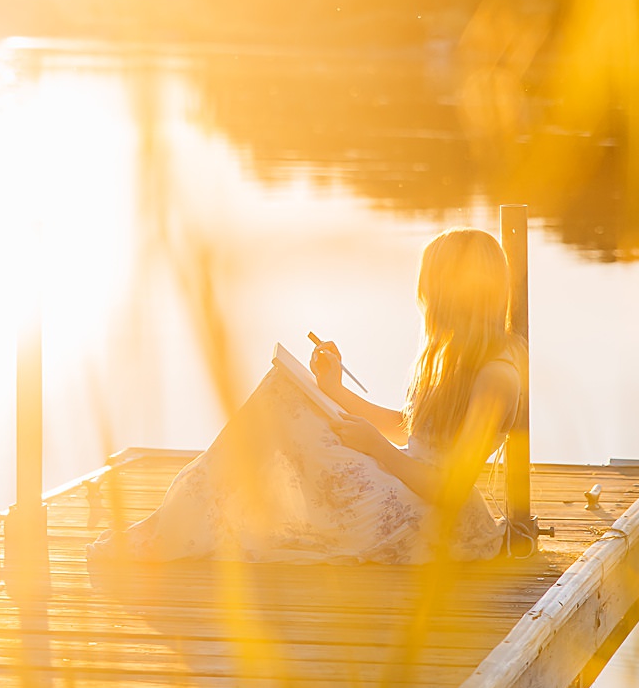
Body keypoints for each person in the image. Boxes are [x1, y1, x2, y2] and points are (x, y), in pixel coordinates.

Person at [86, 228, 525, 565]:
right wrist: (334, 391)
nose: (425, 299)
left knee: (282, 400)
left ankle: (167, 531)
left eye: (432, 286)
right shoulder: (459, 358)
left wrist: (375, 448)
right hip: (408, 491)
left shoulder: (496, 376)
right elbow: (412, 426)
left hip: (431, 522)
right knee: (289, 394)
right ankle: (172, 526)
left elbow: (451, 488)